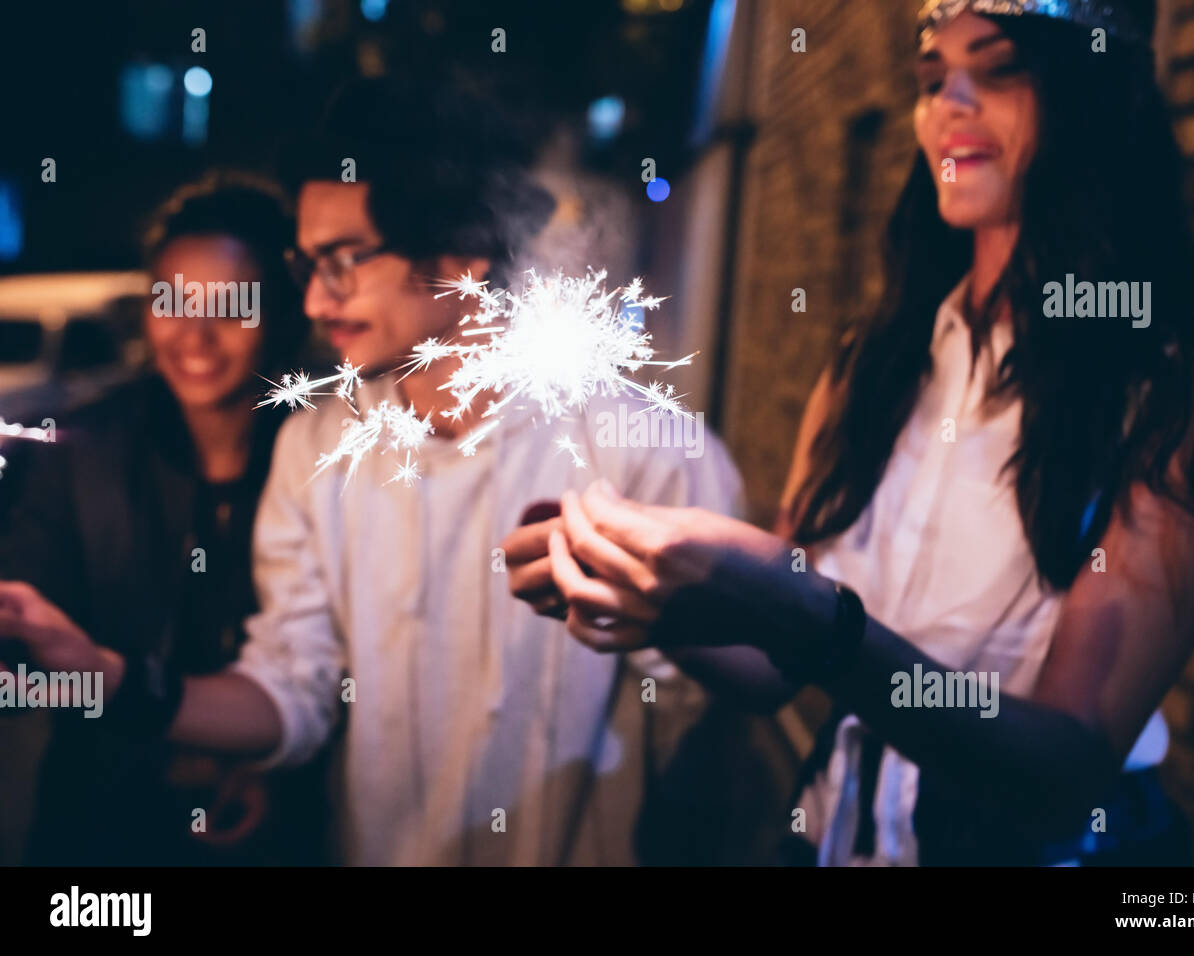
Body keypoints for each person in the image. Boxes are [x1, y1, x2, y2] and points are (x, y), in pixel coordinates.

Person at [509, 0, 1194, 865]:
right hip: (844, 828)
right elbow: (775, 668)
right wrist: (652, 598)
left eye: (996, 70)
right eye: (929, 79)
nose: (948, 102)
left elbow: (1066, 765)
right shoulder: (874, 361)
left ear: (1094, 89)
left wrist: (815, 620)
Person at [0, 77, 748, 865]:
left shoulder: (642, 447)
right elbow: (293, 689)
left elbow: (726, 706)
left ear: (464, 248)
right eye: (307, 265)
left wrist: (717, 605)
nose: (319, 301)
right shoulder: (319, 447)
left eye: (347, 260)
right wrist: (109, 675)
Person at [0, 171, 321, 864]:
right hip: (101, 830)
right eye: (172, 301)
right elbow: (26, 648)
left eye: (233, 306)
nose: (195, 335)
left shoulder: (324, 455)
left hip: (288, 825)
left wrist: (263, 759)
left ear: (284, 312)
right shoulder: (78, 449)